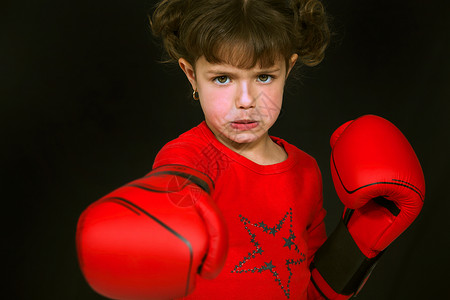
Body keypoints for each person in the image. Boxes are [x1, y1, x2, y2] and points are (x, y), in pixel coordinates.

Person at [76, 1, 425, 299]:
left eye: (264, 77)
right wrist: (168, 203)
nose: (246, 102)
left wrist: (360, 238)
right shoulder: (191, 157)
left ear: (288, 69)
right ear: (191, 76)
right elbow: (178, 182)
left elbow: (311, 286)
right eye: (222, 78)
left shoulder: (305, 169)